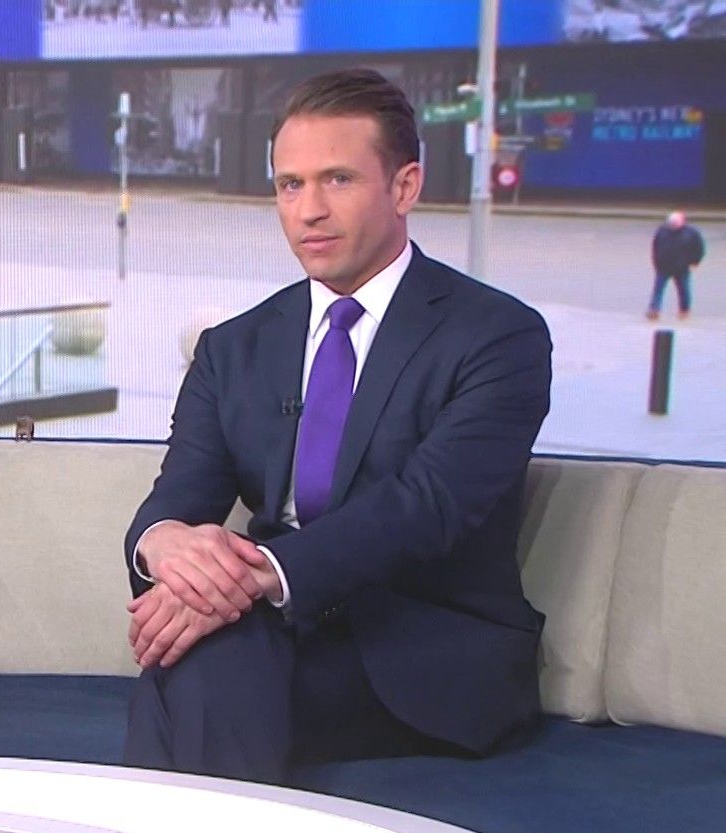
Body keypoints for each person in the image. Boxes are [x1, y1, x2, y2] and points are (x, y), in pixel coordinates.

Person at [122, 68, 553, 784]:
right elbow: (179, 494)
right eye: (290, 185)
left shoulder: (497, 336)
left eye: (338, 180)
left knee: (193, 668)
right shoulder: (234, 348)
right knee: (201, 661)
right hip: (275, 630)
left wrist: (250, 578)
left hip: (423, 646)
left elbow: (426, 506)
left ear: (405, 187)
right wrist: (165, 546)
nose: (309, 211)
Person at [648, 210, 705, 320]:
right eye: (671, 223)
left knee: (684, 290)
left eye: (675, 223)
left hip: (682, 267)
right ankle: (654, 310)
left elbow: (699, 249)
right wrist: (656, 261)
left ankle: (684, 310)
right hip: (663, 266)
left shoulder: (692, 233)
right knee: (658, 289)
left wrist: (695, 262)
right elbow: (655, 246)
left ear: (682, 222)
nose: (673, 225)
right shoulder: (662, 231)